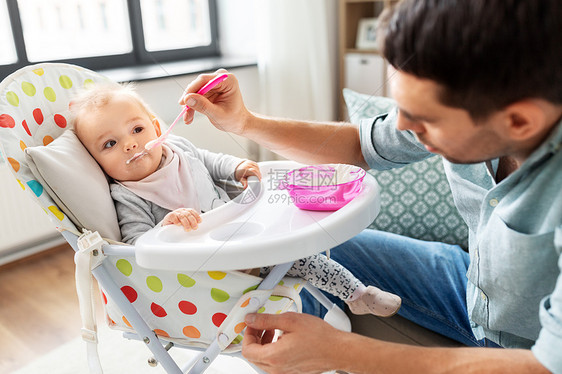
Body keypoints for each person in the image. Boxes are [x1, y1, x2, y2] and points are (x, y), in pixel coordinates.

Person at [177, 0, 562, 372]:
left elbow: (548, 365)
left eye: (424, 120)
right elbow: (365, 144)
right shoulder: (480, 105)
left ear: (520, 122)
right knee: (303, 249)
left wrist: (342, 353)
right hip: (471, 287)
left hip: (528, 347)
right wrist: (244, 122)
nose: (403, 127)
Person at [69, 83, 402, 318]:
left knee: (296, 243)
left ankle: (357, 294)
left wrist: (237, 166)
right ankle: (356, 294)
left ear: (158, 128)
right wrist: (166, 226)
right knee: (298, 258)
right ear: (96, 162)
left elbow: (212, 161)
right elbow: (137, 246)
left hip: (241, 227)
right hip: (213, 265)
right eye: (109, 144)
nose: (129, 144)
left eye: (137, 130)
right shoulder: (127, 195)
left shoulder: (180, 150)